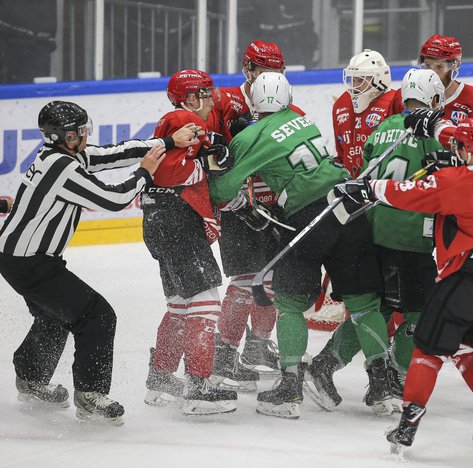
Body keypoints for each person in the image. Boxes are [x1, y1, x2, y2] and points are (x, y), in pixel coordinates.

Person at [334, 117, 473, 454]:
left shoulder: (451, 183)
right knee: (468, 349)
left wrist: (365, 187)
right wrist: (442, 133)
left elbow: (403, 193)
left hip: (468, 282)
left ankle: (407, 426)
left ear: (466, 150)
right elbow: (470, 153)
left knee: (427, 350)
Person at [0, 100, 196, 424]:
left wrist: (169, 142)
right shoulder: (62, 167)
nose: (85, 135)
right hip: (30, 262)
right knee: (97, 316)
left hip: (19, 256)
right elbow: (114, 199)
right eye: (79, 132)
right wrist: (145, 172)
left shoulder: (63, 156)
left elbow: (116, 153)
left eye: (83, 129)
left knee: (56, 314)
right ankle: (90, 393)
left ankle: (31, 377)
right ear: (62, 137)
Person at [208, 72, 390, 419]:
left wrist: (224, 168)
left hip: (306, 220)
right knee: (365, 303)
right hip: (347, 206)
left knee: (290, 304)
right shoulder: (302, 121)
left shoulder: (249, 136)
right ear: (288, 97)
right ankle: (382, 383)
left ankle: (290, 387)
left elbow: (220, 191)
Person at [305, 69, 450, 414]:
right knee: (420, 314)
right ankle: (390, 380)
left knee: (381, 308)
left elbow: (367, 171)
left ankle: (326, 365)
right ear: (433, 100)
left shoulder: (383, 128)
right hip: (411, 235)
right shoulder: (433, 134)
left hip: (374, 230)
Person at [208, 41, 305, 390]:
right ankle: (223, 354)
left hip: (276, 206)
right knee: (243, 282)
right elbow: (209, 150)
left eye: (276, 72)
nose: (270, 78)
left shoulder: (288, 106)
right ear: (248, 69)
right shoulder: (223, 101)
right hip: (240, 203)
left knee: (274, 282)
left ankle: (259, 346)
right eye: (263, 71)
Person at [142, 69, 238, 416]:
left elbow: (175, 162)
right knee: (206, 304)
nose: (211, 99)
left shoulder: (174, 121)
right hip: (177, 218)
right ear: (188, 97)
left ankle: (161, 379)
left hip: (160, 220)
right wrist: (213, 165)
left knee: (180, 306)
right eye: (204, 92)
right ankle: (198, 389)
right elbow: (171, 173)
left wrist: (210, 151)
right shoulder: (184, 119)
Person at [333, 48, 404, 178]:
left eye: (360, 80)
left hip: (381, 184)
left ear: (379, 78)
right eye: (352, 79)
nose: (354, 85)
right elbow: (341, 153)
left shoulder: (395, 103)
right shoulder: (341, 104)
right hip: (351, 186)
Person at [417, 35, 473, 144]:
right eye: (428, 65)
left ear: (454, 66)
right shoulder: (410, 96)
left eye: (439, 67)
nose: (431, 73)